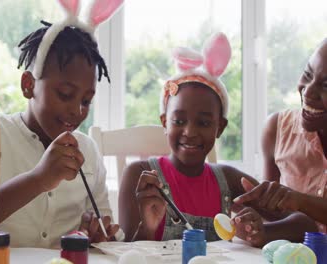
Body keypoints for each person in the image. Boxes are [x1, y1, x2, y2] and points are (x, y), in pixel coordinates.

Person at [0, 0, 123, 248]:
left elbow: (106, 229)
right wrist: (38, 179)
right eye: (65, 94)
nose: (77, 111)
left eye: (86, 101)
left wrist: (100, 237)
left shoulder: (89, 151)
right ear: (28, 85)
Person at [119, 33, 317, 247]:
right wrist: (148, 228)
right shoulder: (141, 177)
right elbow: (125, 253)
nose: (190, 132)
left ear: (220, 127)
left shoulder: (229, 180)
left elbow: (305, 224)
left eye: (203, 123)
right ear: (165, 122)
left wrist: (260, 232)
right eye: (178, 121)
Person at [234, 38, 327, 233]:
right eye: (307, 74)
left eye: (326, 85)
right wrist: (255, 212)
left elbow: (294, 202)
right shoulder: (277, 130)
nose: (308, 91)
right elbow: (272, 216)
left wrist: (299, 200)